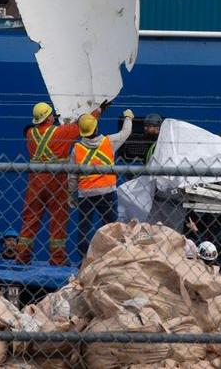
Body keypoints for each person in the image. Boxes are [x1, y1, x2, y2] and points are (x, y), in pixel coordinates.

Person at [16, 100, 107, 266]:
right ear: (49, 117)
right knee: (58, 218)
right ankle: (57, 259)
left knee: (30, 218)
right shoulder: (61, 132)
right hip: (56, 180)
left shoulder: (30, 133)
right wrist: (98, 111)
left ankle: (22, 257)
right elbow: (84, 126)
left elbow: (52, 133)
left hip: (35, 180)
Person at [70, 109, 133, 259]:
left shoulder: (76, 149)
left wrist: (72, 195)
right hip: (107, 192)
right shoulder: (109, 142)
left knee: (84, 228)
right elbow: (126, 132)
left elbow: (72, 176)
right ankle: (112, 257)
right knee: (111, 226)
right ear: (96, 127)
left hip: (85, 194)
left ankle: (84, 259)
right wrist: (128, 117)